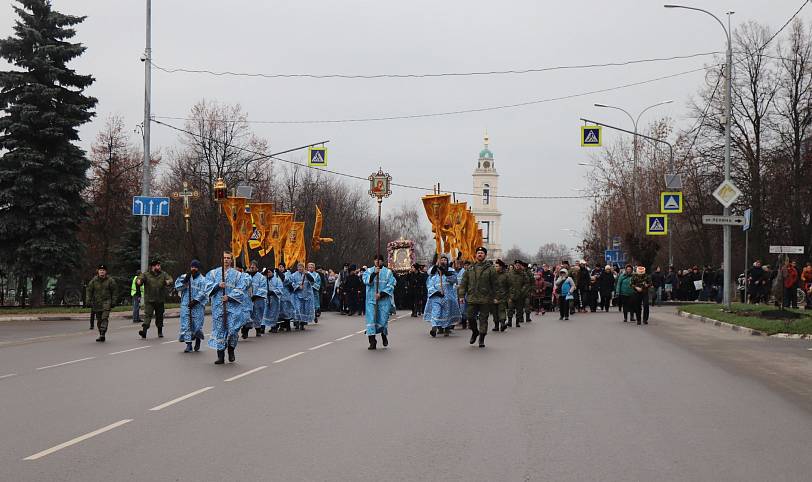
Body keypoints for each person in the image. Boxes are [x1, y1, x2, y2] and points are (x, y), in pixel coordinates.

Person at [207, 251, 249, 364]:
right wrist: (217, 286)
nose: (226, 260)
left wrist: (229, 297)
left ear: (231, 260)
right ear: (222, 259)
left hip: (232, 307)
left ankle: (231, 350)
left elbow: (241, 288)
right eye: (224, 258)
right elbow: (206, 286)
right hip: (218, 307)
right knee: (219, 330)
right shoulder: (213, 273)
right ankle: (220, 356)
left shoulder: (237, 275)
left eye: (228, 258)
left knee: (233, 331)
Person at [457, 246, 496, 348]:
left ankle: (482, 338)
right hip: (472, 298)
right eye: (478, 253)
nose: (480, 254)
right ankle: (475, 332)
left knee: (483, 319)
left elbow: (495, 284)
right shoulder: (470, 269)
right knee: (469, 317)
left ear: (485, 255)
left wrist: (495, 297)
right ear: (475, 255)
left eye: (482, 253)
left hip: (485, 299)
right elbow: (463, 283)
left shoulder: (491, 269)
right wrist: (461, 295)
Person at [175, 260, 212, 353]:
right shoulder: (184, 277)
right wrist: (185, 282)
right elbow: (177, 287)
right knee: (186, 325)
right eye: (192, 267)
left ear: (198, 268)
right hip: (186, 305)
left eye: (195, 267)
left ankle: (198, 339)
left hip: (197, 305)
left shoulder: (203, 280)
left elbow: (204, 291)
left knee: (197, 325)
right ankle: (189, 344)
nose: (193, 269)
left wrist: (195, 301)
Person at [363, 254, 396, 349]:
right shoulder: (369, 271)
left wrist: (381, 294)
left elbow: (391, 285)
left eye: (379, 260)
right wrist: (374, 274)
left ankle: (383, 335)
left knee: (383, 320)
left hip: (383, 301)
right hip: (371, 301)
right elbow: (366, 281)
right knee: (371, 321)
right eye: (375, 260)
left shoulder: (388, 272)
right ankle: (372, 342)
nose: (377, 262)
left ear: (382, 261)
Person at [424, 255, 461, 337]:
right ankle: (434, 327)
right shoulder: (434, 272)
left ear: (447, 262)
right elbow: (429, 283)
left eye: (445, 260)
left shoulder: (451, 270)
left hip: (448, 296)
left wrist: (446, 273)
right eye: (442, 260)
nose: (443, 261)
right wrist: (435, 292)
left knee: (447, 313)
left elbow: (454, 280)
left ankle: (446, 329)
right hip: (436, 296)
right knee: (436, 312)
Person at [136, 259, 173, 339]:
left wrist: (168, 282)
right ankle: (144, 332)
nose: (159, 267)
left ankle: (160, 332)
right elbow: (140, 278)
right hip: (149, 300)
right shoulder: (146, 274)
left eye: (159, 265)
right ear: (153, 266)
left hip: (160, 299)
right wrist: (138, 281)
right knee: (147, 315)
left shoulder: (163, 274)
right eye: (158, 265)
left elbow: (170, 279)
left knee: (159, 316)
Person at [86, 264, 116, 342]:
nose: (101, 272)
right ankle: (101, 335)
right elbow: (89, 291)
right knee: (99, 320)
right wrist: (88, 300)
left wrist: (113, 301)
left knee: (104, 318)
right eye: (100, 270)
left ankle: (102, 332)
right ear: (98, 271)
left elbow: (114, 292)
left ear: (106, 272)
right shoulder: (94, 281)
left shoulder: (110, 280)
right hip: (97, 303)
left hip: (107, 302)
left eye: (103, 270)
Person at [241, 260, 267, 339]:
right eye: (250, 267)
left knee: (257, 315)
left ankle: (258, 330)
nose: (252, 268)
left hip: (258, 300)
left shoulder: (261, 277)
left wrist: (256, 295)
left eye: (253, 267)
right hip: (247, 300)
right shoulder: (245, 276)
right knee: (247, 316)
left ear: (257, 268)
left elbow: (263, 288)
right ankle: (245, 332)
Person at [285, 262, 315, 330]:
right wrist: (298, 286)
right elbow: (291, 282)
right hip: (297, 295)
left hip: (307, 295)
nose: (300, 269)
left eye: (301, 268)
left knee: (304, 310)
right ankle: (296, 322)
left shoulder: (308, 274)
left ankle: (302, 324)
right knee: (297, 309)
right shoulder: (294, 275)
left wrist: (307, 274)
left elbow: (312, 282)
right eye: (299, 268)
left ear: (303, 268)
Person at [507, 260, 532, 327]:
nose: (517, 266)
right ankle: (509, 321)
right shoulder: (509, 273)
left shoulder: (523, 274)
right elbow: (506, 283)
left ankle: (517, 322)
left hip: (520, 294)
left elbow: (527, 283)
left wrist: (522, 290)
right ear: (514, 265)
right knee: (510, 308)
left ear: (520, 266)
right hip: (511, 294)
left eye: (518, 265)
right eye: (516, 265)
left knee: (519, 309)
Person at [492, 259, 509, 331]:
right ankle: (496, 326)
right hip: (493, 296)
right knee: (494, 312)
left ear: (501, 267)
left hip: (503, 296)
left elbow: (509, 286)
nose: (495, 267)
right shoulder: (492, 275)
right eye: (495, 266)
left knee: (501, 310)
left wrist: (507, 296)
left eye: (497, 266)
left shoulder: (506, 275)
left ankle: (502, 324)